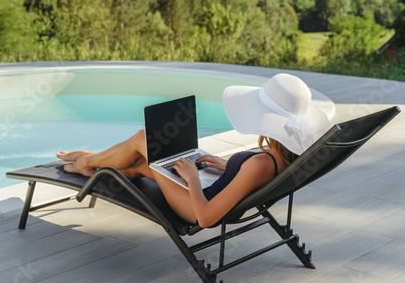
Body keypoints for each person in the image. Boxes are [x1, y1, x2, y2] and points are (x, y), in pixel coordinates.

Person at [56, 73, 330, 228]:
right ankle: (92, 161)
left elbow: (206, 218)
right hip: (211, 189)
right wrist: (229, 167)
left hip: (195, 204)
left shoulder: (260, 164)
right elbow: (250, 181)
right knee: (140, 164)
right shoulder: (285, 156)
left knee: (144, 139)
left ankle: (87, 163)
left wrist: (192, 178)